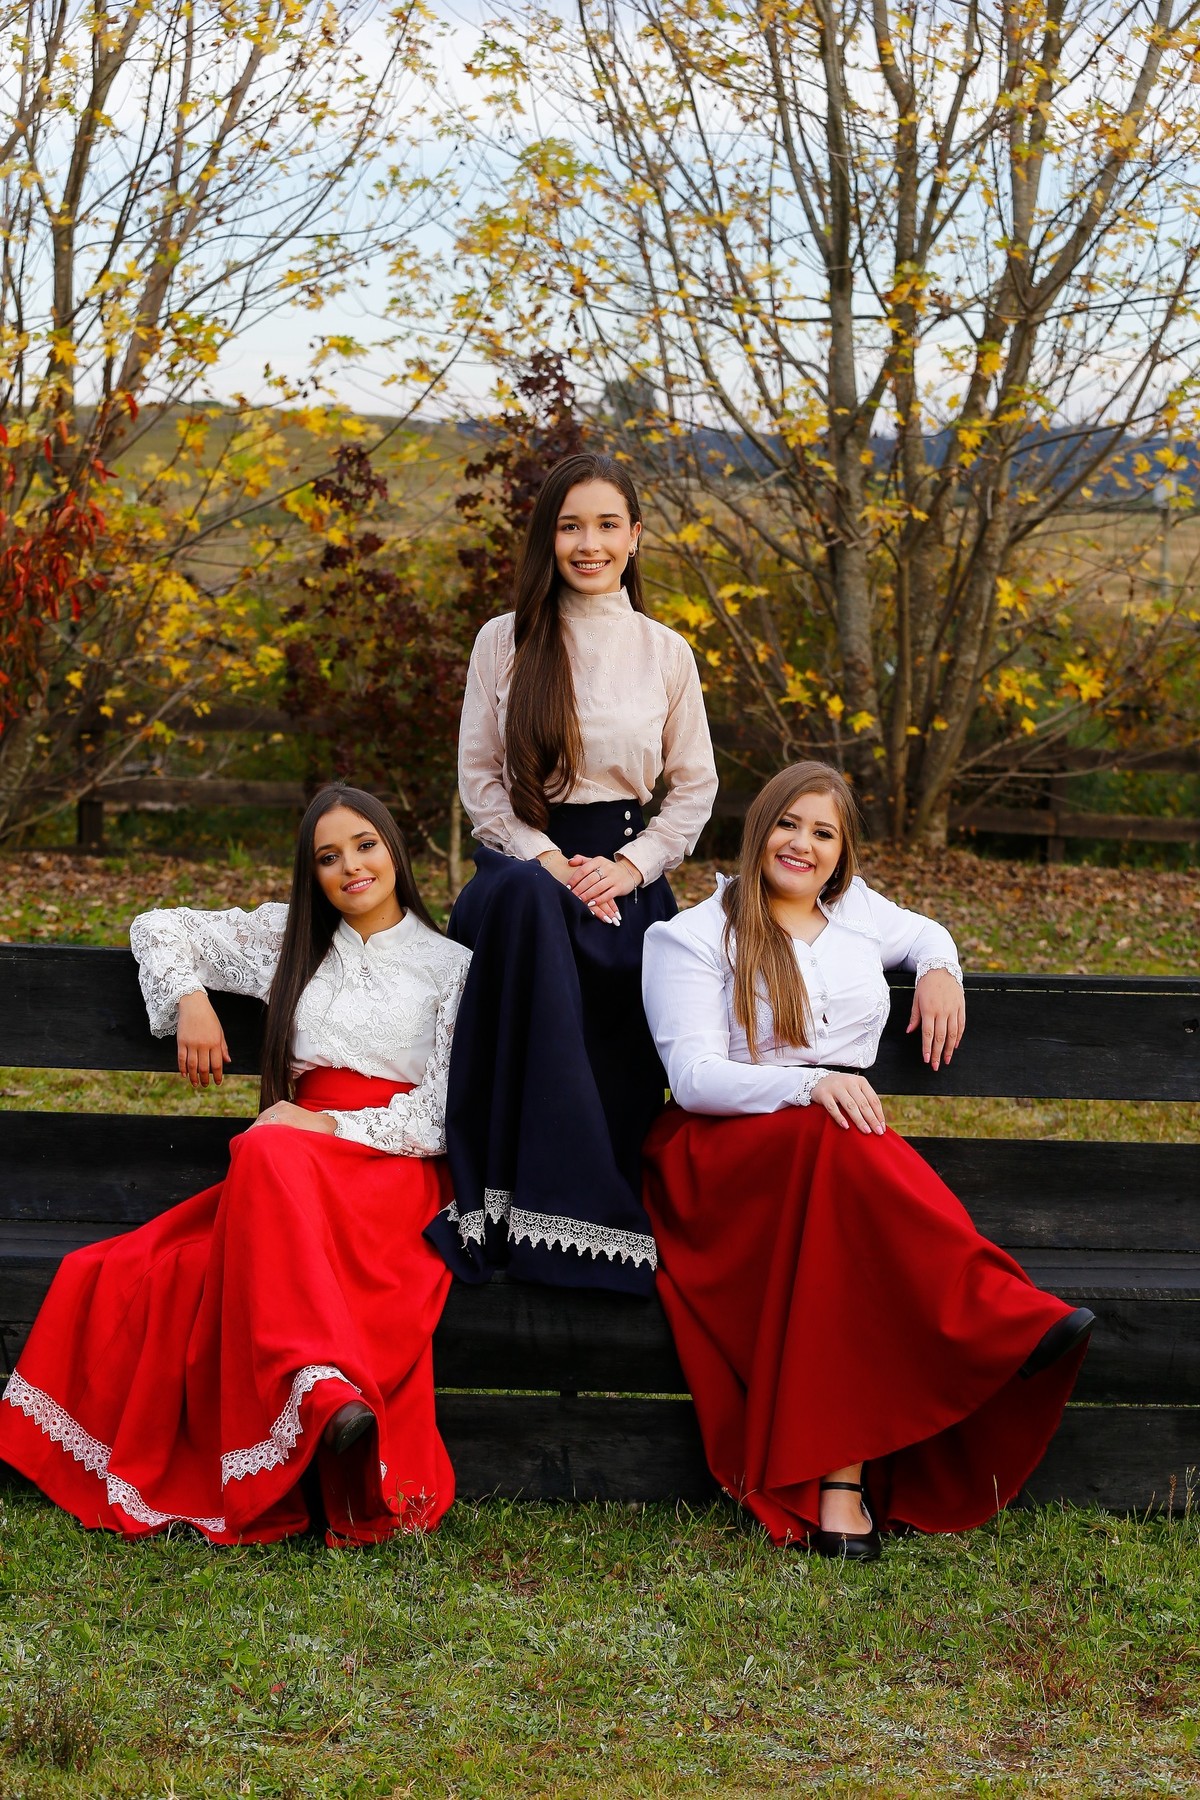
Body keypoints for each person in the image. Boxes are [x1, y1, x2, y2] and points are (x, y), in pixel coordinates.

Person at [640, 762, 1095, 1559]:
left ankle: (841, 1482)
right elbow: (695, 1078)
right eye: (789, 824)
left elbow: (924, 934)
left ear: (842, 850)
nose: (802, 844)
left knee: (843, 1188)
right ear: (760, 828)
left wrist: (941, 970)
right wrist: (810, 1084)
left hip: (833, 1160)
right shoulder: (693, 936)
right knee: (838, 1143)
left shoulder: (854, 913)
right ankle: (989, 1312)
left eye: (824, 832)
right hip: (723, 1161)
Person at [0, 786, 470, 1546]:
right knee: (142, 1266)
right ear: (311, 873)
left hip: (387, 1167)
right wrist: (191, 998)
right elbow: (158, 925)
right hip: (287, 1174)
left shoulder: (453, 967)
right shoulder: (289, 940)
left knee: (265, 1144)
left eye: (365, 846)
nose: (351, 867)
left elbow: (440, 1116)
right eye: (328, 857)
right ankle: (320, 1393)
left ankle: (317, 1391)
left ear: (394, 848)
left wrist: (321, 1122)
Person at [427, 451, 718, 1296]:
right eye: (569, 527)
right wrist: (549, 864)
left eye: (606, 525)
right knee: (525, 900)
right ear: (546, 538)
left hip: (625, 886)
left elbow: (694, 788)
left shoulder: (665, 652)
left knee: (619, 1023)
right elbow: (481, 783)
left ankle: (591, 1225)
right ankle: (510, 1212)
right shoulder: (504, 640)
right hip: (521, 880)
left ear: (635, 536)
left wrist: (629, 867)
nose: (589, 544)